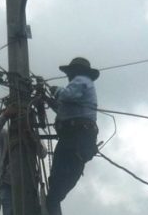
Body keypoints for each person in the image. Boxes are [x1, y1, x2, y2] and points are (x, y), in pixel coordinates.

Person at [45, 57, 99, 215]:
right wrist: (50, 100)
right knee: (60, 183)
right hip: (78, 140)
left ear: (74, 72)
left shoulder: (82, 80)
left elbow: (67, 95)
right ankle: (53, 203)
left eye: (70, 73)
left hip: (75, 138)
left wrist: (56, 90)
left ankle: (53, 202)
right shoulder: (82, 89)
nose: (68, 77)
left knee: (57, 182)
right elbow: (65, 110)